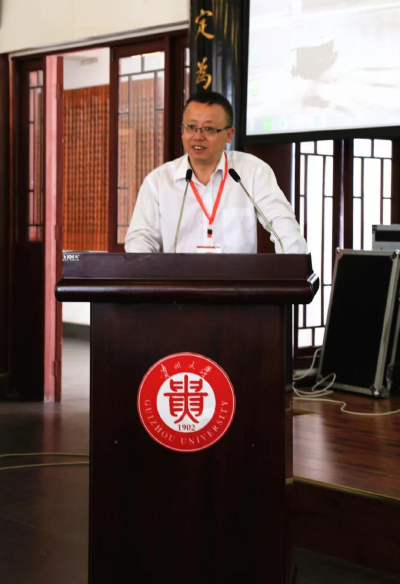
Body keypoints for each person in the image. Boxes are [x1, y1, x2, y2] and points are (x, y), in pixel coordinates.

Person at [124, 91, 307, 254]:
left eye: (209, 129)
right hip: (177, 281)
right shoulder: (158, 181)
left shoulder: (252, 172)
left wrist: (293, 270)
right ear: (182, 131)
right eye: (191, 127)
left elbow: (282, 225)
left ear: (229, 134)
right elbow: (140, 240)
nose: (198, 136)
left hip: (236, 281)